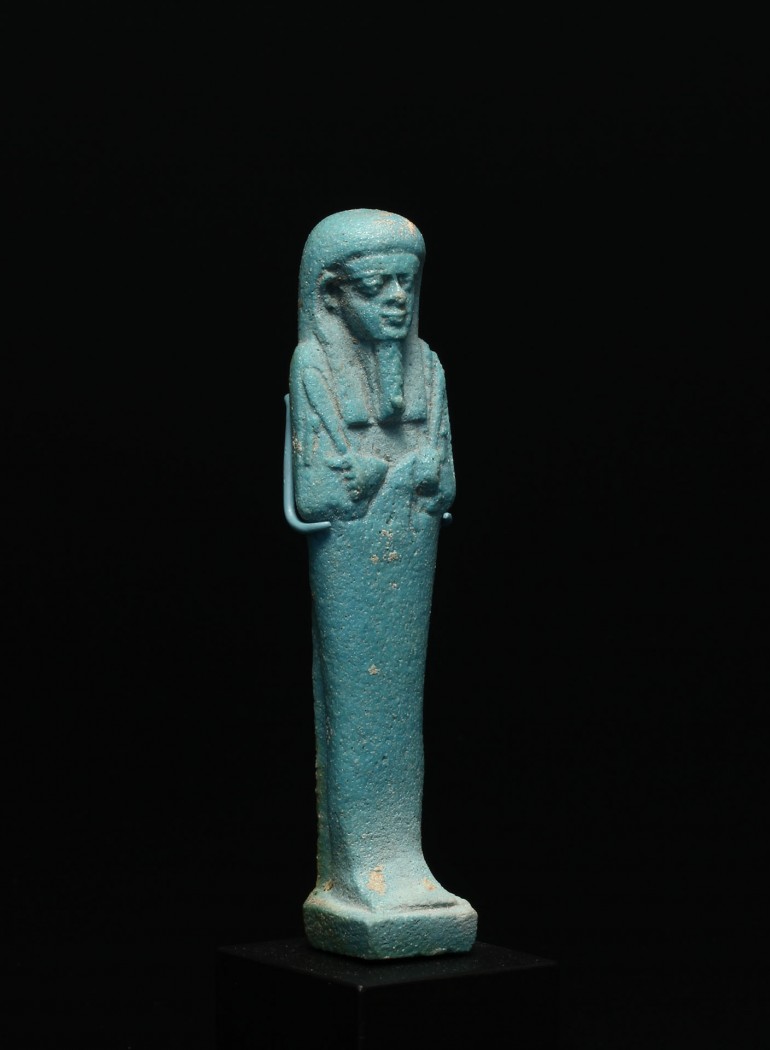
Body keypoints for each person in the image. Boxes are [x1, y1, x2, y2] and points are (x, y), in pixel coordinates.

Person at [287, 209, 476, 959]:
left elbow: (445, 481)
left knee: (399, 699)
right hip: (351, 556)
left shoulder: (427, 366)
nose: (397, 299)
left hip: (410, 551)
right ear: (333, 297)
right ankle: (358, 871)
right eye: (376, 286)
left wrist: (401, 475)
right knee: (357, 700)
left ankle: (402, 859)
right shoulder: (314, 366)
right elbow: (319, 493)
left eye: (407, 283)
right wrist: (391, 476)